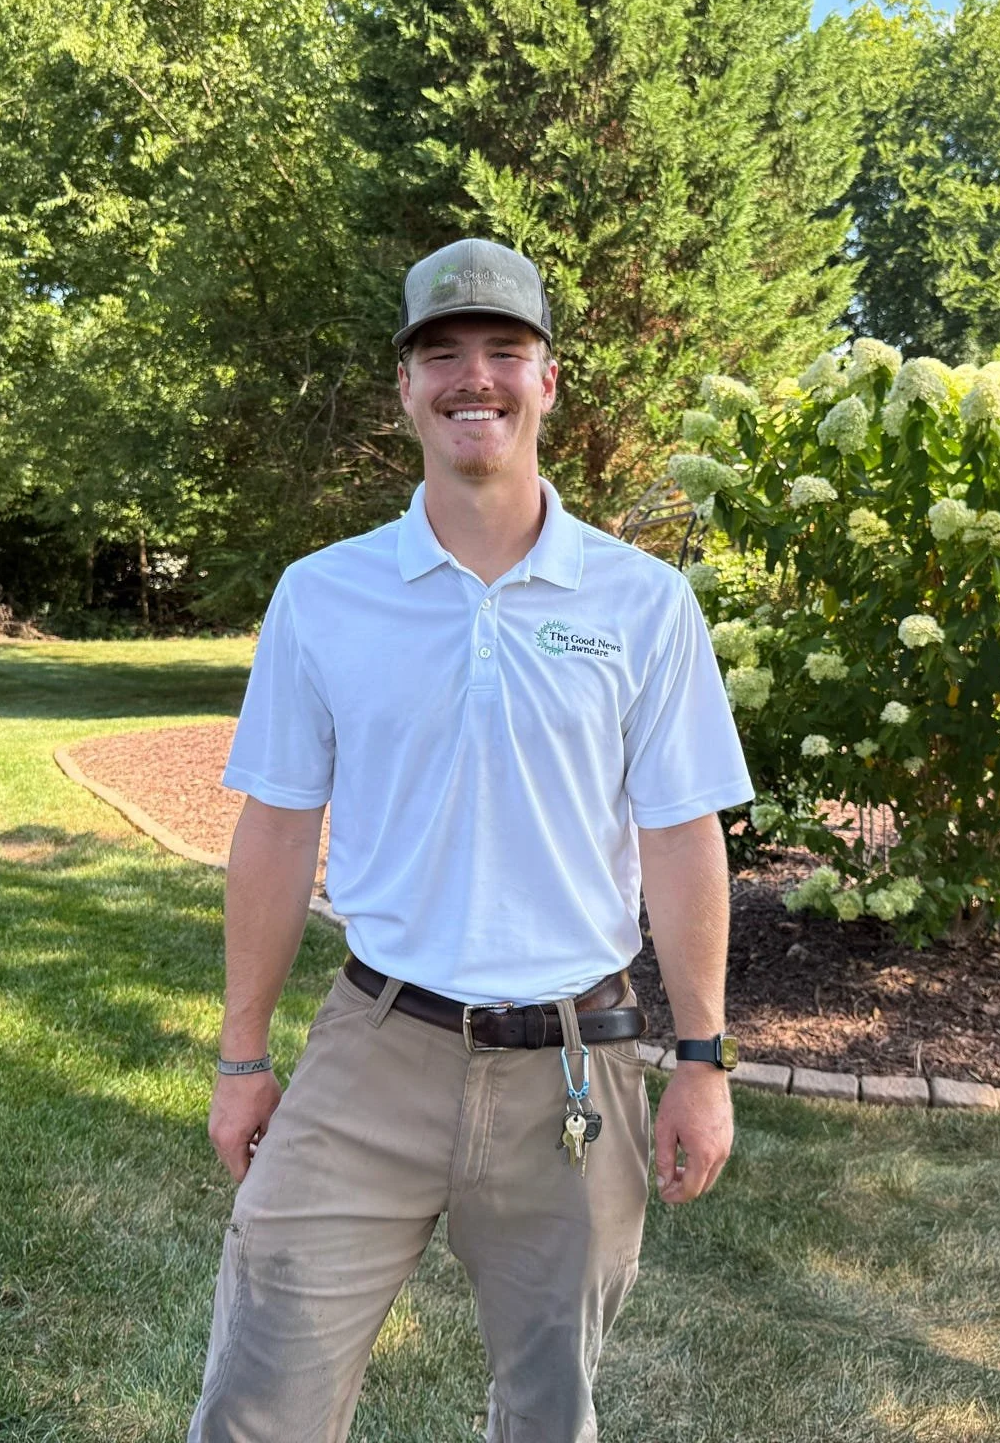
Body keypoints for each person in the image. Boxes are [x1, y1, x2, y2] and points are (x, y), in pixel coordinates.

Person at [190, 238, 751, 1443]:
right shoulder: (325, 593)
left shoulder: (642, 602)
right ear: (404, 389)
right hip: (370, 1053)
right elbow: (278, 832)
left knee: (550, 1415)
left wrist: (700, 1059)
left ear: (549, 381)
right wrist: (243, 1058)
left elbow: (679, 833)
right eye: (440, 355)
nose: (472, 380)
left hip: (572, 1064)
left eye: (504, 352)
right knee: (260, 1398)